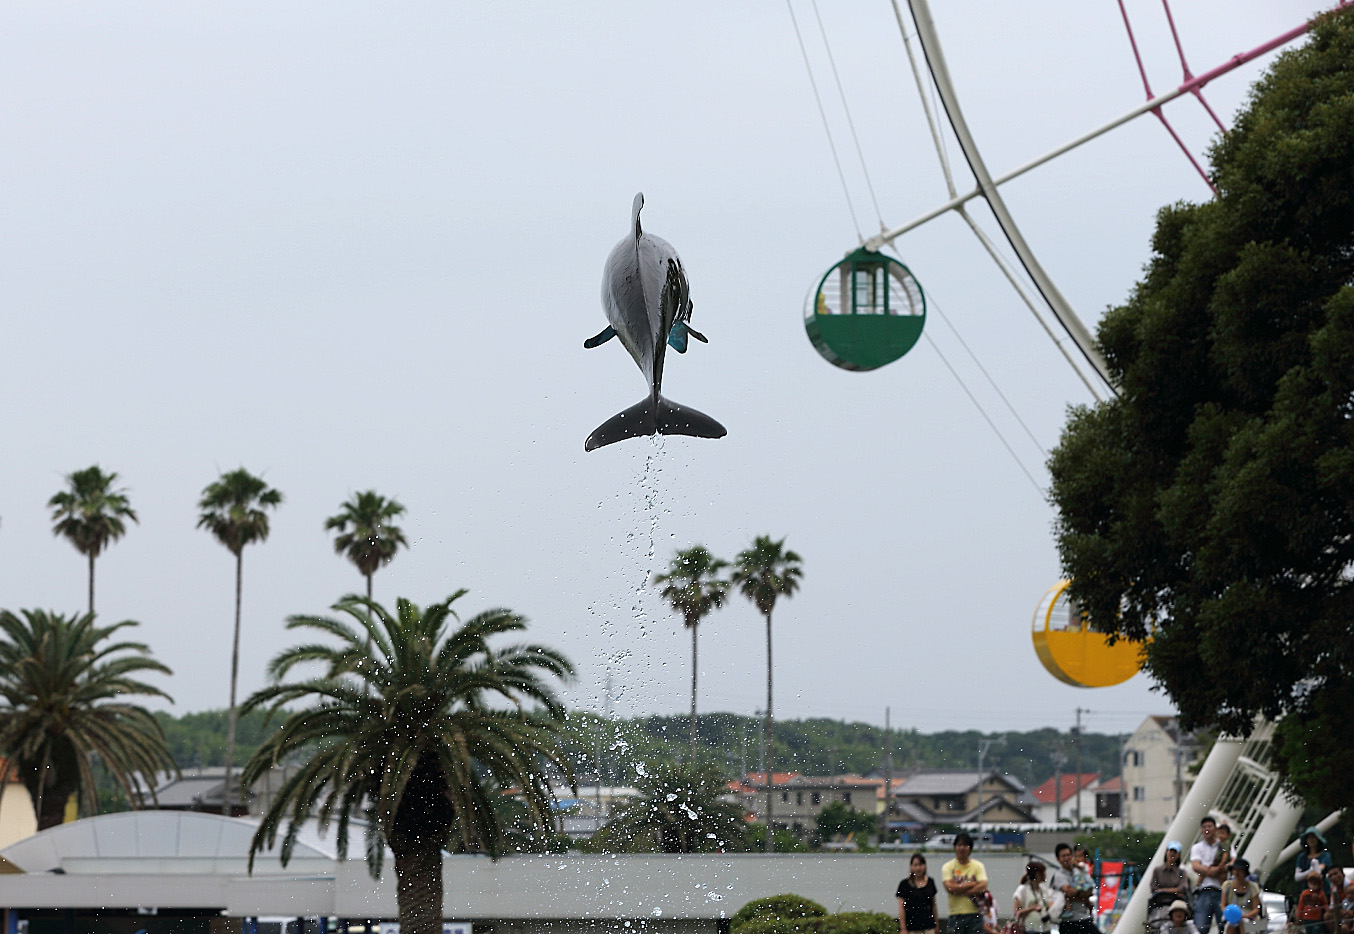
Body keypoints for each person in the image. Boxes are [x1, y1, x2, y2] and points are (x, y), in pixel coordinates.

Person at [942, 832, 989, 934]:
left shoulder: (978, 866)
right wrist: (973, 884)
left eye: (965, 845)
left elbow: (983, 886)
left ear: (970, 848)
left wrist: (958, 889)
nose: (962, 848)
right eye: (959, 845)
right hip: (955, 915)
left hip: (975, 915)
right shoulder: (948, 867)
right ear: (955, 847)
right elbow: (949, 888)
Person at [1191, 816, 1229, 934]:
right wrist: (1216, 871)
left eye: (1209, 826)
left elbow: (1232, 863)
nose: (1207, 829)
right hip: (1204, 890)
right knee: (1200, 928)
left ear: (1215, 829)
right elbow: (1195, 866)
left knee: (1225, 927)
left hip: (1222, 891)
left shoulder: (1224, 845)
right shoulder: (1197, 847)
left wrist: (1209, 870)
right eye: (1204, 827)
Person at [1053, 842, 1096, 934]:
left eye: (1068, 855)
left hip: (1084, 917)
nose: (1067, 858)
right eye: (1063, 856)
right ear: (1058, 859)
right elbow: (1070, 892)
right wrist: (1084, 896)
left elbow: (1090, 890)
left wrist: (1078, 895)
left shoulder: (1078, 870)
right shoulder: (1059, 875)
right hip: (1068, 921)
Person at [897, 852, 938, 934]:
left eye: (921, 864)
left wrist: (936, 924)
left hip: (929, 927)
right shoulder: (904, 884)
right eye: (915, 865)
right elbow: (901, 908)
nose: (918, 868)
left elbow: (933, 905)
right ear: (911, 867)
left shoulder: (930, 882)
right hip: (911, 928)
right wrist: (903, 928)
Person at [1221, 859, 1262, 934]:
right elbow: (1223, 905)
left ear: (1245, 873)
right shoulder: (1227, 885)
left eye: (1240, 871)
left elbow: (1256, 909)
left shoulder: (1253, 887)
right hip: (1231, 916)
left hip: (1249, 917)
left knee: (1244, 924)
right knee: (1231, 925)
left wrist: (1244, 916)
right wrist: (1230, 914)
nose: (1236, 873)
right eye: (1235, 870)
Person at [1013, 860, 1054, 934]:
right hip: (1030, 928)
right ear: (1037, 874)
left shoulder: (1043, 889)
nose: (1045, 874)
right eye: (1043, 872)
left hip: (1046, 928)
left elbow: (1048, 906)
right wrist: (1032, 908)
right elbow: (1016, 912)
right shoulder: (1022, 889)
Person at [1151, 842, 1192, 910]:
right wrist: (1175, 891)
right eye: (1170, 851)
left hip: (1177, 904)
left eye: (1175, 852)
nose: (1172, 854)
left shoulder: (1181, 872)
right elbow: (1153, 887)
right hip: (1159, 903)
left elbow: (1183, 887)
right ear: (1166, 852)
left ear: (1178, 855)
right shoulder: (1157, 871)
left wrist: (1162, 890)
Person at [1296, 827, 1334, 892]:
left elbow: (1319, 870)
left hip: (1323, 890)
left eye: (1313, 837)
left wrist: (1307, 876)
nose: (1311, 840)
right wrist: (1311, 871)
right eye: (1309, 838)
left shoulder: (1325, 855)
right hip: (1306, 890)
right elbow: (1297, 877)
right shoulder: (1302, 857)